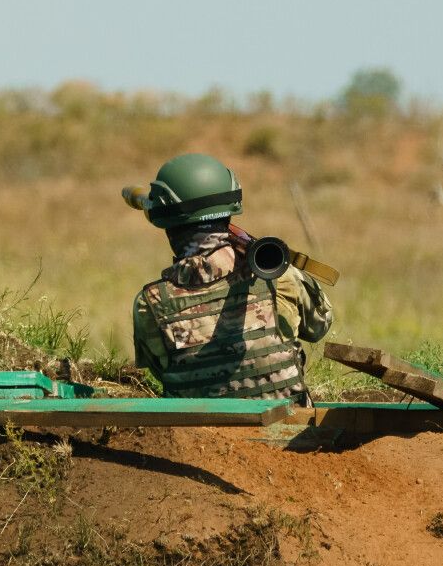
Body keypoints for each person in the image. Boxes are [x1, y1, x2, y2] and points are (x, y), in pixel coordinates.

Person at [126, 153, 333, 401]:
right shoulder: (280, 277)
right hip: (290, 431)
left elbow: (163, 370)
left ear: (167, 225)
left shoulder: (150, 302)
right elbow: (319, 325)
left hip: (196, 437)